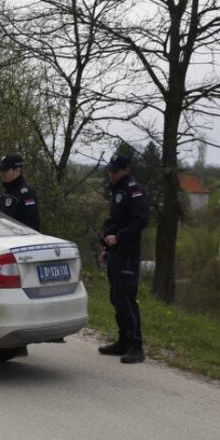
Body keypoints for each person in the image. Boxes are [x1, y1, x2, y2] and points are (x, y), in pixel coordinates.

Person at [98, 152, 150, 364]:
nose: (111, 174)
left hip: (127, 251)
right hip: (115, 252)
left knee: (127, 297)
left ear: (126, 170)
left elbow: (140, 221)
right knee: (116, 297)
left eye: (115, 171)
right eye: (110, 170)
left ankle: (136, 346)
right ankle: (123, 340)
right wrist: (107, 248)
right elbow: (115, 220)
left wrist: (118, 238)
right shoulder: (117, 190)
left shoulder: (134, 191)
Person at [0, 153, 41, 232]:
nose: (2, 173)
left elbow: (32, 225)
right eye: (1, 170)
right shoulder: (3, 191)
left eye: (5, 170)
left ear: (18, 171)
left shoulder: (27, 194)